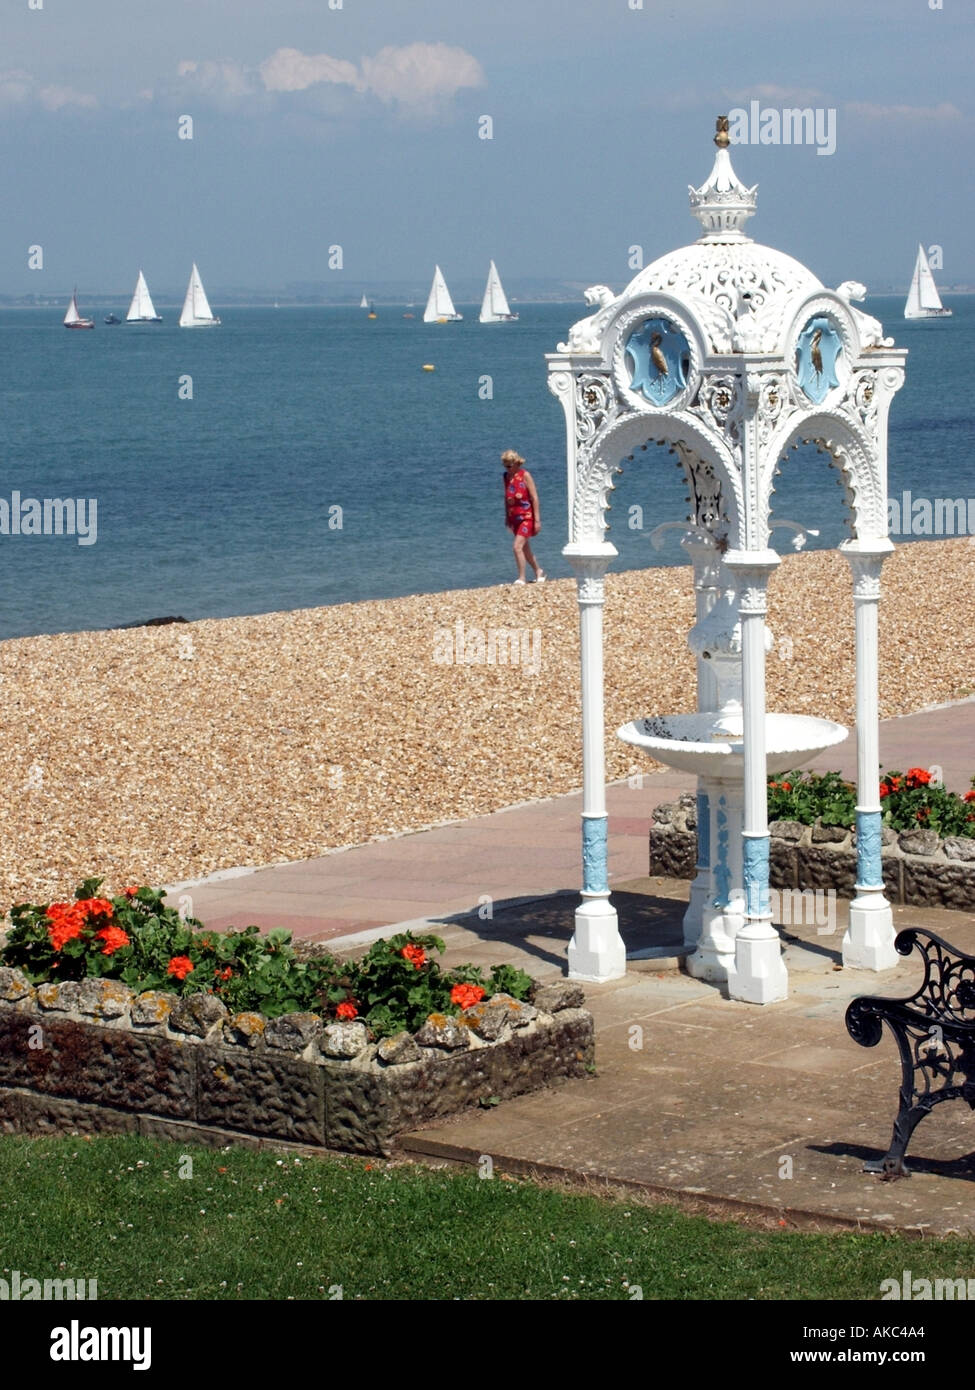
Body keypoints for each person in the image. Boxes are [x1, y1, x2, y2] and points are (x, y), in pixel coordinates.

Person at [501, 449, 545, 585]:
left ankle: (521, 577)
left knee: (517, 547)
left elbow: (534, 497)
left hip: (527, 517)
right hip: (514, 518)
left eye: (509, 465)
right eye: (505, 466)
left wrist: (537, 520)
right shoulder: (506, 477)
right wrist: (507, 518)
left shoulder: (525, 475)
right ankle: (539, 571)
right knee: (525, 548)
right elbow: (506, 497)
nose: (507, 468)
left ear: (516, 463)